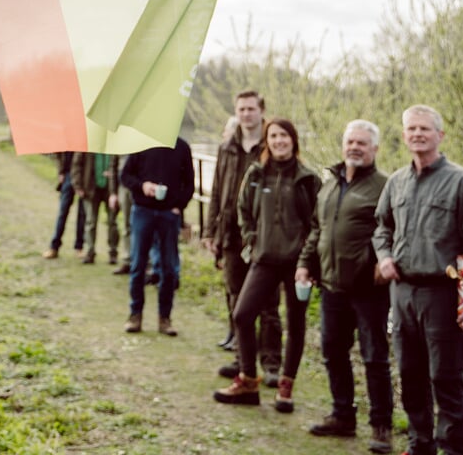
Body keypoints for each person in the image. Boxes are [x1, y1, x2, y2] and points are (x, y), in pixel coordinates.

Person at [373, 105, 463, 455]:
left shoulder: (461, 181)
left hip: (441, 294)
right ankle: (419, 443)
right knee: (409, 373)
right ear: (404, 135)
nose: (417, 134)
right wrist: (384, 257)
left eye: (425, 128)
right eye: (411, 129)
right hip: (403, 291)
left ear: (440, 135)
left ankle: (453, 448)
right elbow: (382, 227)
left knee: (445, 378)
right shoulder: (396, 182)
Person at [298, 120, 395, 453]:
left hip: (368, 290)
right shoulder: (330, 183)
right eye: (350, 141)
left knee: (374, 357)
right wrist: (304, 264)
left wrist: (382, 265)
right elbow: (317, 229)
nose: (355, 147)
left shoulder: (384, 187)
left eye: (362, 143)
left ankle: (381, 426)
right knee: (333, 352)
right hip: (331, 286)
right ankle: (342, 416)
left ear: (374, 150)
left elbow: (394, 231)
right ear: (343, 145)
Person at [214, 117, 321, 411]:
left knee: (295, 324)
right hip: (264, 259)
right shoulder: (256, 173)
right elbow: (242, 209)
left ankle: (285, 387)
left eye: (284, 136)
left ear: (294, 140)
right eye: (273, 136)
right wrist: (252, 239)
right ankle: (248, 381)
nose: (278, 141)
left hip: (298, 265)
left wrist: (307, 260)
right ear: (267, 141)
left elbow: (317, 224)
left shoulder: (308, 179)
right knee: (243, 315)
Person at [203, 92, 283, 376]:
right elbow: (216, 190)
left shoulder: (272, 144)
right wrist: (209, 230)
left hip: (264, 237)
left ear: (262, 111)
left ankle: (271, 362)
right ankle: (242, 360)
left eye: (251, 109)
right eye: (241, 109)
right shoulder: (227, 146)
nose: (246, 114)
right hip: (231, 234)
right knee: (235, 297)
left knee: (269, 303)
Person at [121, 136, 195, 336]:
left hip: (168, 215)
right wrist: (143, 186)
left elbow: (189, 185)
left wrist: (178, 206)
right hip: (142, 211)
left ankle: (165, 318)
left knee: (168, 268)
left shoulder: (182, 147)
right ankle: (135, 315)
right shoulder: (141, 143)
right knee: (138, 265)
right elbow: (125, 176)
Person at [72, 151, 120, 265]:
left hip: (110, 189)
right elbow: (76, 165)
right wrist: (78, 185)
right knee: (91, 222)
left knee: (112, 222)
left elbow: (120, 165)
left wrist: (114, 176)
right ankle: (90, 252)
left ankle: (113, 253)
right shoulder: (87, 144)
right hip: (90, 188)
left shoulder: (114, 145)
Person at [42, 151, 87, 259]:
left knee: (82, 214)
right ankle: (54, 247)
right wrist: (61, 171)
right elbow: (58, 153)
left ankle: (79, 247)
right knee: (63, 212)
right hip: (68, 175)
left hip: (84, 175)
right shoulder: (65, 135)